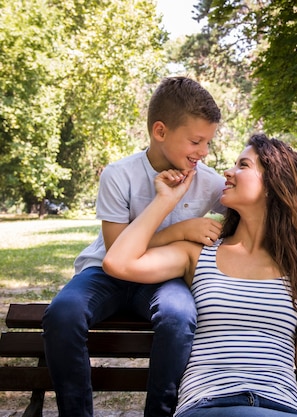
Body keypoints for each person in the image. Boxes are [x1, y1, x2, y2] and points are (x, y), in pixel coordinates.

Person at [102, 133, 297, 417]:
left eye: (243, 166)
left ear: (274, 184)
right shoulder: (199, 254)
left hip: (279, 406)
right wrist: (166, 200)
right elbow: (117, 262)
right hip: (207, 404)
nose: (228, 171)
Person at [42, 76, 226, 417]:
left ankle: (160, 413)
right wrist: (181, 230)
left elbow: (253, 210)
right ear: (160, 131)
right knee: (63, 314)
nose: (202, 152)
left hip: (162, 278)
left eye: (208, 143)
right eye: (196, 141)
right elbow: (117, 252)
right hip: (104, 273)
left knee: (179, 315)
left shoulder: (209, 181)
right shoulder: (119, 174)